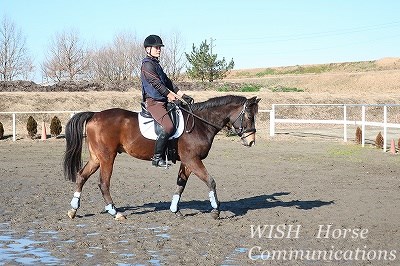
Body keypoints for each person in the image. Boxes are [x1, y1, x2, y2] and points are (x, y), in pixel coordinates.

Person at [141, 34, 193, 167]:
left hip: (162, 101)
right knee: (168, 126)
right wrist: (170, 96)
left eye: (160, 47)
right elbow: (157, 84)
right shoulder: (147, 66)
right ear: (148, 49)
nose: (159, 49)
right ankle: (157, 157)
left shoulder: (156, 65)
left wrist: (182, 95)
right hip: (154, 102)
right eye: (156, 47)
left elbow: (168, 82)